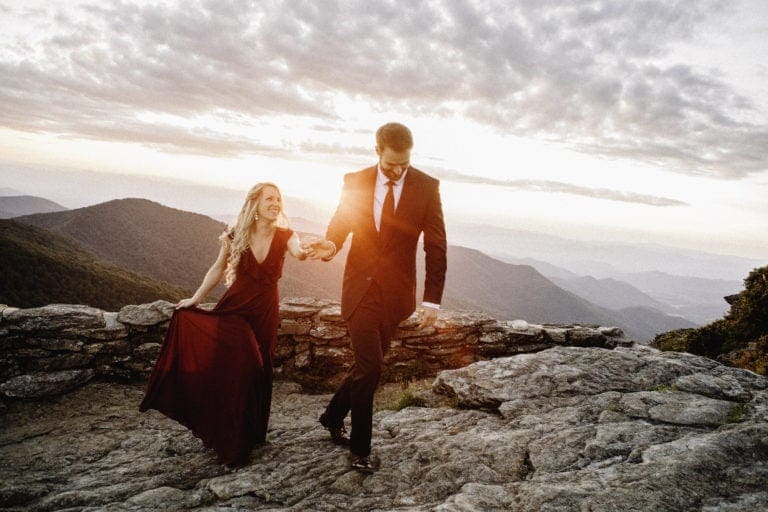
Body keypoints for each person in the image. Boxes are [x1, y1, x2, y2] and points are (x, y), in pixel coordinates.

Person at [305, 122, 447, 473]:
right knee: (371, 367)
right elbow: (342, 221)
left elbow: (436, 245)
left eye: (405, 164)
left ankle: (332, 416)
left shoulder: (427, 187)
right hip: (359, 289)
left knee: (365, 366)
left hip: (396, 297)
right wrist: (331, 244)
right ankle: (360, 448)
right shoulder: (355, 181)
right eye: (391, 164)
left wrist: (432, 300)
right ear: (377, 151)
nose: (398, 171)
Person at [139, 182, 307, 466]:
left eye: (278, 198)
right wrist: (195, 299)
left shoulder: (286, 235)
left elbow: (300, 252)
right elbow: (218, 269)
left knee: (260, 369)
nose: (275, 203)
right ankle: (228, 437)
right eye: (269, 198)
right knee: (243, 365)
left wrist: (315, 250)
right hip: (235, 310)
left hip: (265, 311)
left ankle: (249, 433)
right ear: (255, 203)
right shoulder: (236, 235)